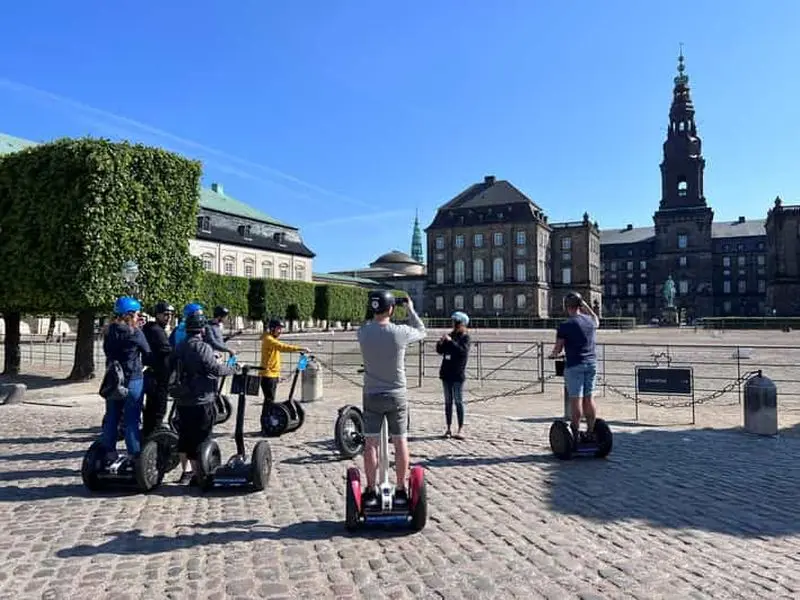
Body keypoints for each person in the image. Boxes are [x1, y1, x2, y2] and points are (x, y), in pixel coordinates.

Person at [357, 290, 426, 508]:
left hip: (372, 394)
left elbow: (368, 323)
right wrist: (411, 309)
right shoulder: (400, 332)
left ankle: (370, 489)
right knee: (400, 441)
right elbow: (422, 331)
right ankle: (401, 488)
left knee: (370, 443)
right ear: (391, 309)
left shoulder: (363, 333)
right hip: (396, 394)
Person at [171, 310, 236, 486]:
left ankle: (186, 472)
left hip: (183, 398)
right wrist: (233, 369)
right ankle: (200, 474)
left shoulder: (180, 346)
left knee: (185, 435)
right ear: (202, 329)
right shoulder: (202, 347)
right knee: (202, 436)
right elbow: (214, 369)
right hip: (202, 397)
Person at [101, 296, 152, 457]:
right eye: (137, 314)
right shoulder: (135, 333)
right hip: (133, 378)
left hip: (113, 378)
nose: (138, 317)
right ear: (130, 314)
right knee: (131, 420)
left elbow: (107, 351)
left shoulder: (109, 331)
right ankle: (133, 455)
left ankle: (108, 453)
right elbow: (147, 353)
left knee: (112, 417)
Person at [548, 291, 599, 446]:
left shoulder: (565, 325)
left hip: (575, 365)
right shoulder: (590, 321)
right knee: (589, 398)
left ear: (566, 306)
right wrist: (586, 306)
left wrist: (553, 355)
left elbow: (558, 348)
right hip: (591, 363)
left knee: (576, 399)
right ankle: (590, 431)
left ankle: (575, 432)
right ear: (580, 305)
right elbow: (596, 318)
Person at [259, 318, 309, 432]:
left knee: (269, 401)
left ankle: (266, 424)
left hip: (272, 374)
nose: (280, 331)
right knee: (269, 402)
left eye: (280, 329)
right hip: (268, 375)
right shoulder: (268, 339)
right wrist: (300, 348)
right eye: (278, 329)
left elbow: (273, 360)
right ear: (272, 329)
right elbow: (282, 347)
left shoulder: (271, 339)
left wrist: (278, 375)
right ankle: (266, 425)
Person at [141, 301, 174, 438]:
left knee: (151, 409)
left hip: (154, 373)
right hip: (158, 376)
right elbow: (167, 350)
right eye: (165, 314)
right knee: (158, 410)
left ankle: (148, 435)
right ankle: (153, 438)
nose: (168, 317)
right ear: (157, 315)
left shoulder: (152, 328)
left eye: (170, 315)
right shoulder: (156, 330)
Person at [436, 311, 471, 440]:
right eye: (454, 323)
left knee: (458, 401)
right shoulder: (450, 336)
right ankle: (448, 427)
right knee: (448, 402)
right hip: (446, 373)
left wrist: (450, 342)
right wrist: (440, 342)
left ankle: (460, 428)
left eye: (457, 323)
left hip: (457, 374)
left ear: (463, 324)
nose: (455, 325)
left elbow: (462, 352)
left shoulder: (465, 338)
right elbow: (440, 351)